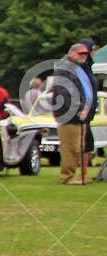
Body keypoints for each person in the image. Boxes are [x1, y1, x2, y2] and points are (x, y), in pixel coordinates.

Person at [51, 39, 97, 185]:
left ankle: (77, 176)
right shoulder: (65, 67)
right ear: (71, 53)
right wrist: (78, 109)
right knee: (70, 147)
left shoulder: (77, 67)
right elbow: (65, 92)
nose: (83, 57)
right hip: (69, 114)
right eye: (80, 54)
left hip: (79, 114)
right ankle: (67, 177)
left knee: (78, 147)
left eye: (85, 54)